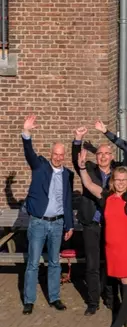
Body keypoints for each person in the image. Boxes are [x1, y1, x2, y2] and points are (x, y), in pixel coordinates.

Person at [77, 151, 127, 327]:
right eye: (118, 179)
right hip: (112, 246)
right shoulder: (107, 196)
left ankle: (120, 318)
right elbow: (88, 184)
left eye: (124, 180)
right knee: (118, 277)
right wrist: (83, 167)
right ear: (112, 181)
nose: (121, 182)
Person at [20, 115, 74, 315]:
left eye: (62, 155)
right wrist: (27, 133)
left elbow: (67, 201)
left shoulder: (68, 174)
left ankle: (54, 297)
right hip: (38, 223)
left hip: (58, 224)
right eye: (56, 154)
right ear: (51, 153)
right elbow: (29, 154)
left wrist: (69, 224)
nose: (59, 157)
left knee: (54, 262)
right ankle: (29, 300)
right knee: (33, 263)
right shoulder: (40, 166)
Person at [72, 127, 122, 315]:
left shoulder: (118, 172)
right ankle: (93, 302)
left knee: (110, 263)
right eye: (100, 153)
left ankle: (110, 298)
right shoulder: (90, 168)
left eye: (106, 154)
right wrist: (78, 139)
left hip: (111, 225)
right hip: (92, 224)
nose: (102, 157)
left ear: (111, 156)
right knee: (92, 264)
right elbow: (77, 161)